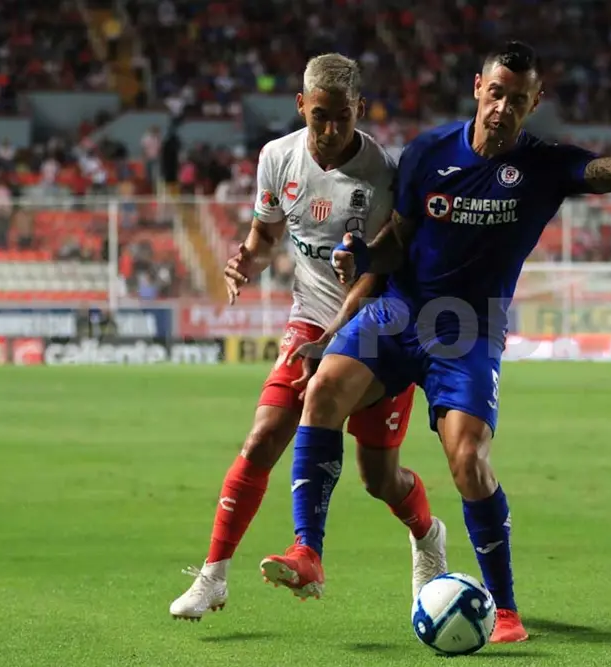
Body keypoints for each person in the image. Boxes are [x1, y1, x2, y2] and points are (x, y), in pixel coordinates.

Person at [259, 41, 611, 643]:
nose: (503, 108)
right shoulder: (427, 153)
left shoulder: (543, 165)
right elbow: (399, 241)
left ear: (534, 103)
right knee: (324, 391)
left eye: (518, 99)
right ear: (477, 88)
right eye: (496, 93)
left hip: (467, 329)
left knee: (468, 459)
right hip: (399, 311)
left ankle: (506, 609)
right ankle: (307, 551)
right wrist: (363, 258)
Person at [169, 53, 447, 621]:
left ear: (360, 110)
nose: (331, 129)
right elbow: (266, 234)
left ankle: (427, 534)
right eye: (320, 116)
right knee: (263, 435)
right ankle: (213, 577)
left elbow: (378, 272)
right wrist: (246, 261)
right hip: (308, 318)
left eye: (343, 117)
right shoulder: (277, 158)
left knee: (379, 479)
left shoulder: (384, 173)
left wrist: (337, 335)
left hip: (373, 325)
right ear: (301, 106)